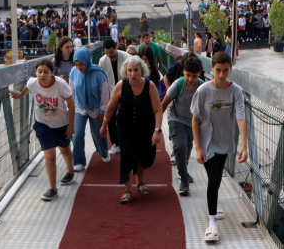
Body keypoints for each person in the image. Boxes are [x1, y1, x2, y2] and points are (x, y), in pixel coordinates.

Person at [191, 52, 247, 243]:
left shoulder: (236, 91)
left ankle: (214, 203)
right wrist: (198, 147)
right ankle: (212, 222)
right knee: (214, 178)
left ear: (230, 69)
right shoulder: (203, 91)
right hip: (206, 142)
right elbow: (195, 120)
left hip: (225, 142)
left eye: (225, 70)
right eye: (218, 70)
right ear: (211, 69)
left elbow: (240, 117)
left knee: (215, 178)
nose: (222, 75)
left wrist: (244, 146)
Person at [100, 56, 163, 204]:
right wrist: (104, 125)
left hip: (145, 126)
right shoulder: (121, 85)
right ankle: (127, 189)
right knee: (127, 156)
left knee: (142, 155)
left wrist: (157, 130)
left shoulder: (150, 85)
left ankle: (140, 182)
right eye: (130, 70)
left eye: (136, 70)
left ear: (141, 70)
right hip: (125, 128)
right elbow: (110, 107)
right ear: (125, 71)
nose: (133, 73)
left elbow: (158, 109)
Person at [10, 58, 75, 201]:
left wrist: (71, 125)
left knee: (64, 149)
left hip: (61, 123)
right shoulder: (32, 82)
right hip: (43, 124)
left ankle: (70, 170)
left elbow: (71, 103)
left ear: (52, 73)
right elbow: (27, 88)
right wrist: (19, 95)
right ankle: (53, 188)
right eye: (39, 71)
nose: (42, 75)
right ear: (36, 72)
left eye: (46, 72)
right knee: (50, 156)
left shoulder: (61, 85)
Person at [162, 55, 204, 196]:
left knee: (187, 149)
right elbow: (165, 103)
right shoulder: (178, 84)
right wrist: (156, 126)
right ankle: (184, 180)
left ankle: (183, 171)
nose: (190, 79)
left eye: (194, 76)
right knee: (180, 146)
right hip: (176, 118)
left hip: (193, 122)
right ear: (183, 71)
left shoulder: (202, 87)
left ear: (199, 73)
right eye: (187, 75)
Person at [70, 47, 110, 171]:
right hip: (79, 107)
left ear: (87, 61)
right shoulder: (73, 72)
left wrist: (103, 111)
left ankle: (104, 152)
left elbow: (104, 94)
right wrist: (70, 107)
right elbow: (71, 90)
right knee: (77, 134)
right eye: (76, 64)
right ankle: (79, 161)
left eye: (81, 64)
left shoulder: (98, 73)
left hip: (96, 109)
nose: (79, 67)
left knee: (98, 134)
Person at [98, 39, 131, 155]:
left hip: (126, 91)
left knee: (126, 118)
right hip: (110, 92)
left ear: (115, 47)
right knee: (111, 119)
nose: (109, 55)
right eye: (106, 52)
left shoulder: (127, 58)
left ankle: (126, 143)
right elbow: (102, 79)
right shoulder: (102, 61)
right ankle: (115, 144)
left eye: (111, 52)